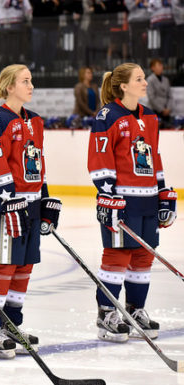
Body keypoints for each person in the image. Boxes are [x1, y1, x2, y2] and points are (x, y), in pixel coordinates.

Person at [87, 62, 177, 343]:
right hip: (121, 201)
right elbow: (99, 160)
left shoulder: (150, 117)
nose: (146, 83)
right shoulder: (107, 116)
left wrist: (162, 192)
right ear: (123, 85)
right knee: (117, 257)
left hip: (147, 200)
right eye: (139, 79)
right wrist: (108, 195)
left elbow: (155, 157)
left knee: (143, 257)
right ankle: (107, 313)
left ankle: (135, 309)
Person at [0, 64, 61, 359]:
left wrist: (46, 199)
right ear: (9, 86)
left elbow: (37, 162)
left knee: (23, 267)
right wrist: (6, 200)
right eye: (25, 81)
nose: (31, 85)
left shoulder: (35, 121)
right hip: (4, 207)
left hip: (31, 204)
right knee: (2, 267)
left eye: (31, 81)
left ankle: (11, 323)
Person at [146, 58, 173, 128]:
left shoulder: (166, 80)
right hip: (154, 110)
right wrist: (161, 109)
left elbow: (170, 96)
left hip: (166, 111)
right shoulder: (150, 80)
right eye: (158, 65)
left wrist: (168, 108)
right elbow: (151, 97)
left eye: (161, 65)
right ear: (152, 68)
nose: (161, 67)